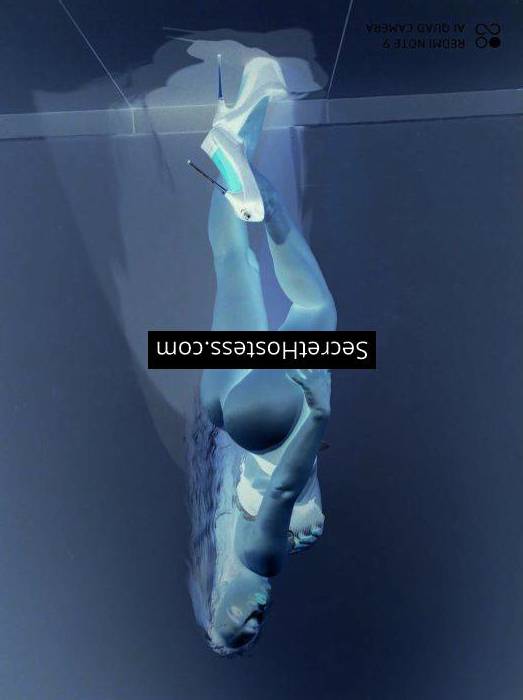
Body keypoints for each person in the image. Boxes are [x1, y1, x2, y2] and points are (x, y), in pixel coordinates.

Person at [187, 54, 337, 655]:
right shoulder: (225, 527)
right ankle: (241, 123)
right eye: (253, 626)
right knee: (234, 265)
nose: (253, 613)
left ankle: (265, 200)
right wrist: (308, 506)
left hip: (271, 426)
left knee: (315, 306)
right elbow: (275, 492)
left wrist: (319, 415)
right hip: (226, 415)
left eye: (234, 615)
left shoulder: (263, 559)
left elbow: (280, 491)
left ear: (218, 591)